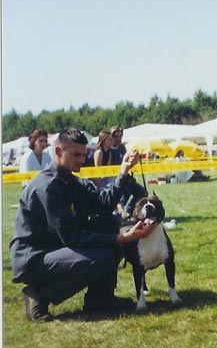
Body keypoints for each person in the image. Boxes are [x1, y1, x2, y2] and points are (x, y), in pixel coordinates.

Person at [10, 128, 157, 322]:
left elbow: (103, 204)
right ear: (58, 152)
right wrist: (122, 238)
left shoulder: (69, 180)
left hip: (55, 247)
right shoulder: (48, 186)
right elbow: (72, 237)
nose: (81, 160)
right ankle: (39, 295)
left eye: (84, 155)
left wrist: (123, 171)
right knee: (103, 256)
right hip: (34, 258)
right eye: (76, 155)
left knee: (110, 222)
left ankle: (100, 299)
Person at [110, 125, 147, 218]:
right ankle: (121, 211)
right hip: (113, 179)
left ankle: (128, 210)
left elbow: (126, 163)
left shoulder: (122, 148)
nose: (119, 139)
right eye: (116, 136)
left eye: (120, 136)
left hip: (125, 177)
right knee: (123, 191)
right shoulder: (108, 150)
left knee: (142, 192)